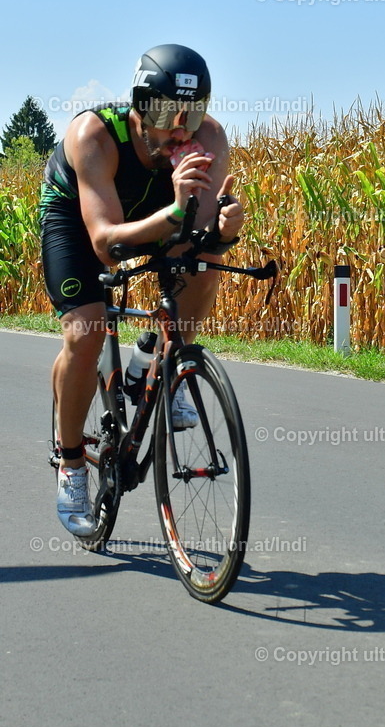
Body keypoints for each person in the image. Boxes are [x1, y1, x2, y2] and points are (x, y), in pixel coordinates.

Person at [40, 44, 244, 537]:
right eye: (163, 112)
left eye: (191, 114)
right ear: (138, 105)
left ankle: (155, 359)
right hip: (81, 220)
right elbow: (107, 246)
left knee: (205, 259)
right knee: (87, 332)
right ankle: (71, 465)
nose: (178, 128)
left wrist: (223, 229)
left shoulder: (209, 139)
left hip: (156, 208)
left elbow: (195, 234)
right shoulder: (94, 136)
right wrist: (176, 212)